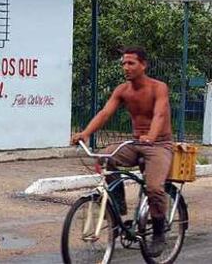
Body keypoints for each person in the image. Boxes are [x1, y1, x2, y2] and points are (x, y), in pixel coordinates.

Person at [71, 46, 173, 257]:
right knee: (105, 158)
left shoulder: (158, 87)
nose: (126, 67)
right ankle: (118, 204)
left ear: (143, 65)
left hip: (159, 144)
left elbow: (160, 115)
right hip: (136, 143)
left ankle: (159, 233)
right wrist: (86, 133)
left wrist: (152, 136)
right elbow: (105, 113)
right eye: (123, 63)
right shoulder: (122, 90)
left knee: (154, 187)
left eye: (131, 63)